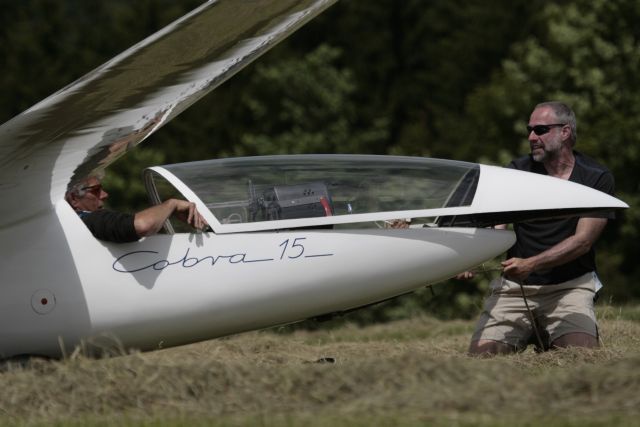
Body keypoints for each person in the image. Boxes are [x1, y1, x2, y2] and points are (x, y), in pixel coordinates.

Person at [467, 101, 615, 355]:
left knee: (582, 357)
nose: (531, 137)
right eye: (530, 129)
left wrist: (531, 264)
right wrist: (471, 258)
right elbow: (498, 226)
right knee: (481, 357)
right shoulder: (517, 173)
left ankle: (551, 336)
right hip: (516, 288)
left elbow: (583, 242)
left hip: (571, 287)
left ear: (565, 132)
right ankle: (540, 335)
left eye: (540, 130)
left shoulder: (595, 177)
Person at [65, 175, 208, 243]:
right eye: (95, 190)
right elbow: (142, 226)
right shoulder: (89, 219)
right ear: (74, 199)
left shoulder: (74, 223)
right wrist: (171, 204)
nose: (104, 194)